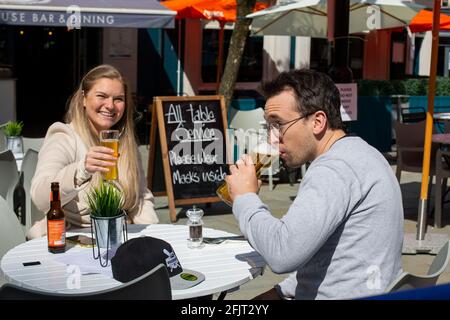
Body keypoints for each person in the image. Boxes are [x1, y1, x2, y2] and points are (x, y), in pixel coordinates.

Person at [225, 69, 404, 299]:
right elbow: (330, 261)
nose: (272, 137)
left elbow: (281, 253)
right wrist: (280, 292)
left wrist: (245, 198)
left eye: (278, 124)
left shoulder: (334, 168)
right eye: (268, 127)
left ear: (317, 122)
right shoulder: (362, 153)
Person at [28, 65, 158, 239]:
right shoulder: (64, 137)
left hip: (119, 237)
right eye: (101, 96)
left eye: (118, 99)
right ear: (83, 99)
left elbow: (141, 197)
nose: (110, 106)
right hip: (72, 239)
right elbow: (40, 197)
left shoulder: (126, 142)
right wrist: (80, 171)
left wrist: (151, 236)